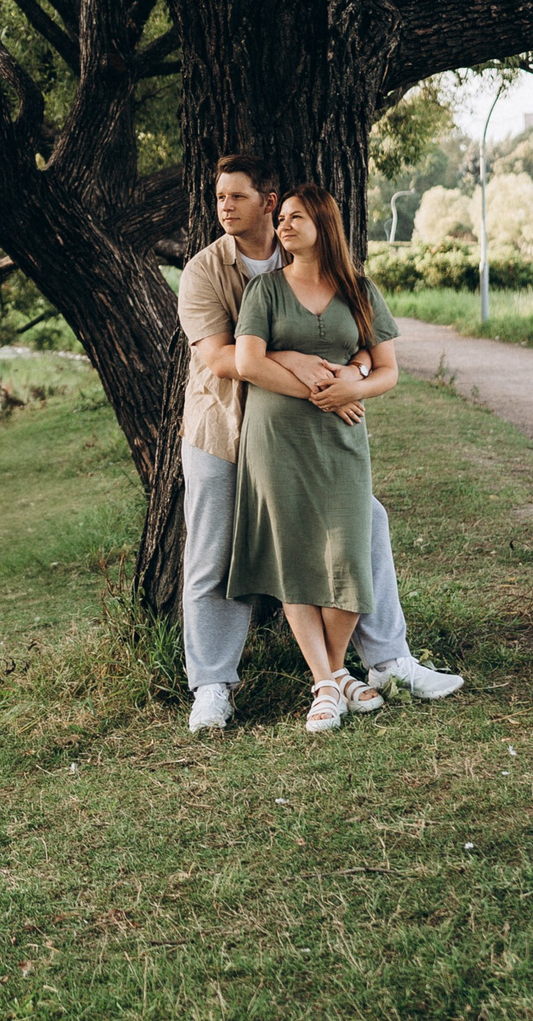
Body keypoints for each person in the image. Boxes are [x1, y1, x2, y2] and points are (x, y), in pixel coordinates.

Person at [177, 155, 461, 733]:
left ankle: (385, 661)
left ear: (268, 200)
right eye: (219, 197)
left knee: (367, 525)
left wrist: (351, 371)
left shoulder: (303, 257)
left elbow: (354, 341)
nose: (225, 207)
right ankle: (212, 683)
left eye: (237, 196)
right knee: (215, 550)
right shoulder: (205, 271)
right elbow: (222, 359)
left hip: (308, 433)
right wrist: (304, 369)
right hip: (223, 430)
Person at [230, 186, 403, 732]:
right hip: (276, 441)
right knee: (296, 558)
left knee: (350, 556)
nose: (282, 225)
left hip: (342, 443)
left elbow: (389, 371)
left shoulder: (360, 290)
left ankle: (329, 676)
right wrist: (313, 385)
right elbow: (248, 363)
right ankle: (329, 685)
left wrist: (355, 388)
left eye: (295, 217)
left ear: (323, 223)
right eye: (279, 218)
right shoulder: (265, 290)